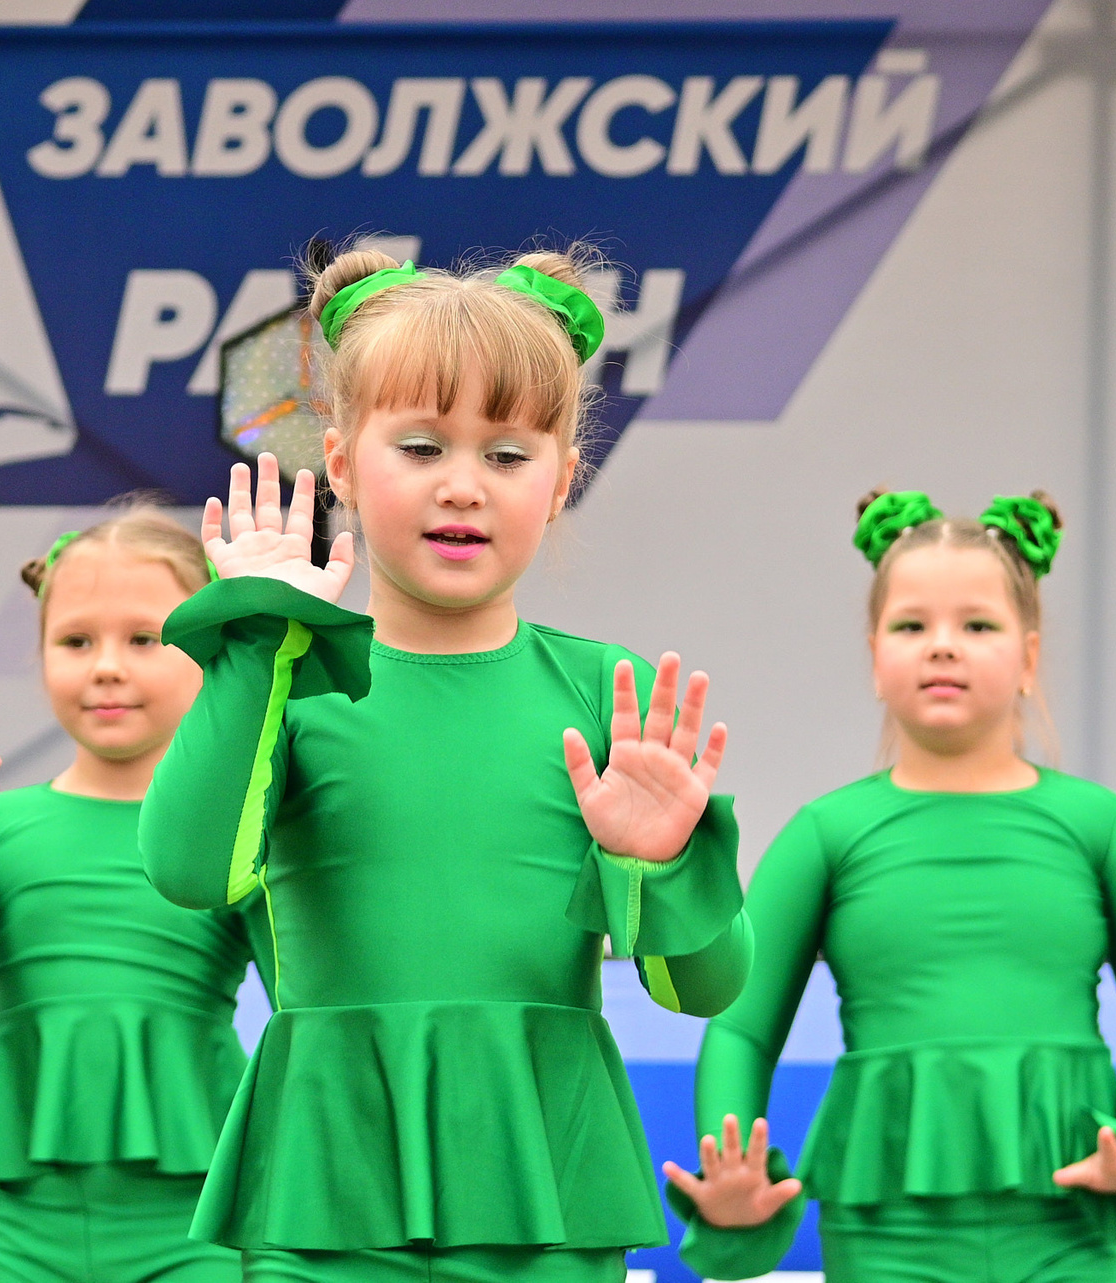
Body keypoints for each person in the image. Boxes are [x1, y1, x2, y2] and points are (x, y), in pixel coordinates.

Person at [140, 246, 753, 1283]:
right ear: (338, 463)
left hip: (541, 1190)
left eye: (507, 456)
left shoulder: (603, 694)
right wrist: (250, 645)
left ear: (561, 481)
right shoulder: (286, 677)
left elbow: (709, 986)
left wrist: (655, 863)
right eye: (420, 446)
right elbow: (189, 870)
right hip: (321, 1191)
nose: (462, 487)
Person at [665, 491, 1116, 1282]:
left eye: (978, 625)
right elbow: (742, 1025)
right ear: (874, 654)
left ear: (1028, 656)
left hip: (1076, 1225)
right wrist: (731, 1158)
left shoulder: (1101, 825)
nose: (943, 647)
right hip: (886, 1227)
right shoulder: (828, 831)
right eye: (912, 625)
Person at [0, 506, 270, 1283]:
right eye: (75, 640)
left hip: (198, 1225)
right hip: (29, 1231)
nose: (106, 665)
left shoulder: (237, 835)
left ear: (211, 651)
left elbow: (314, 1005)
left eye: (144, 638)